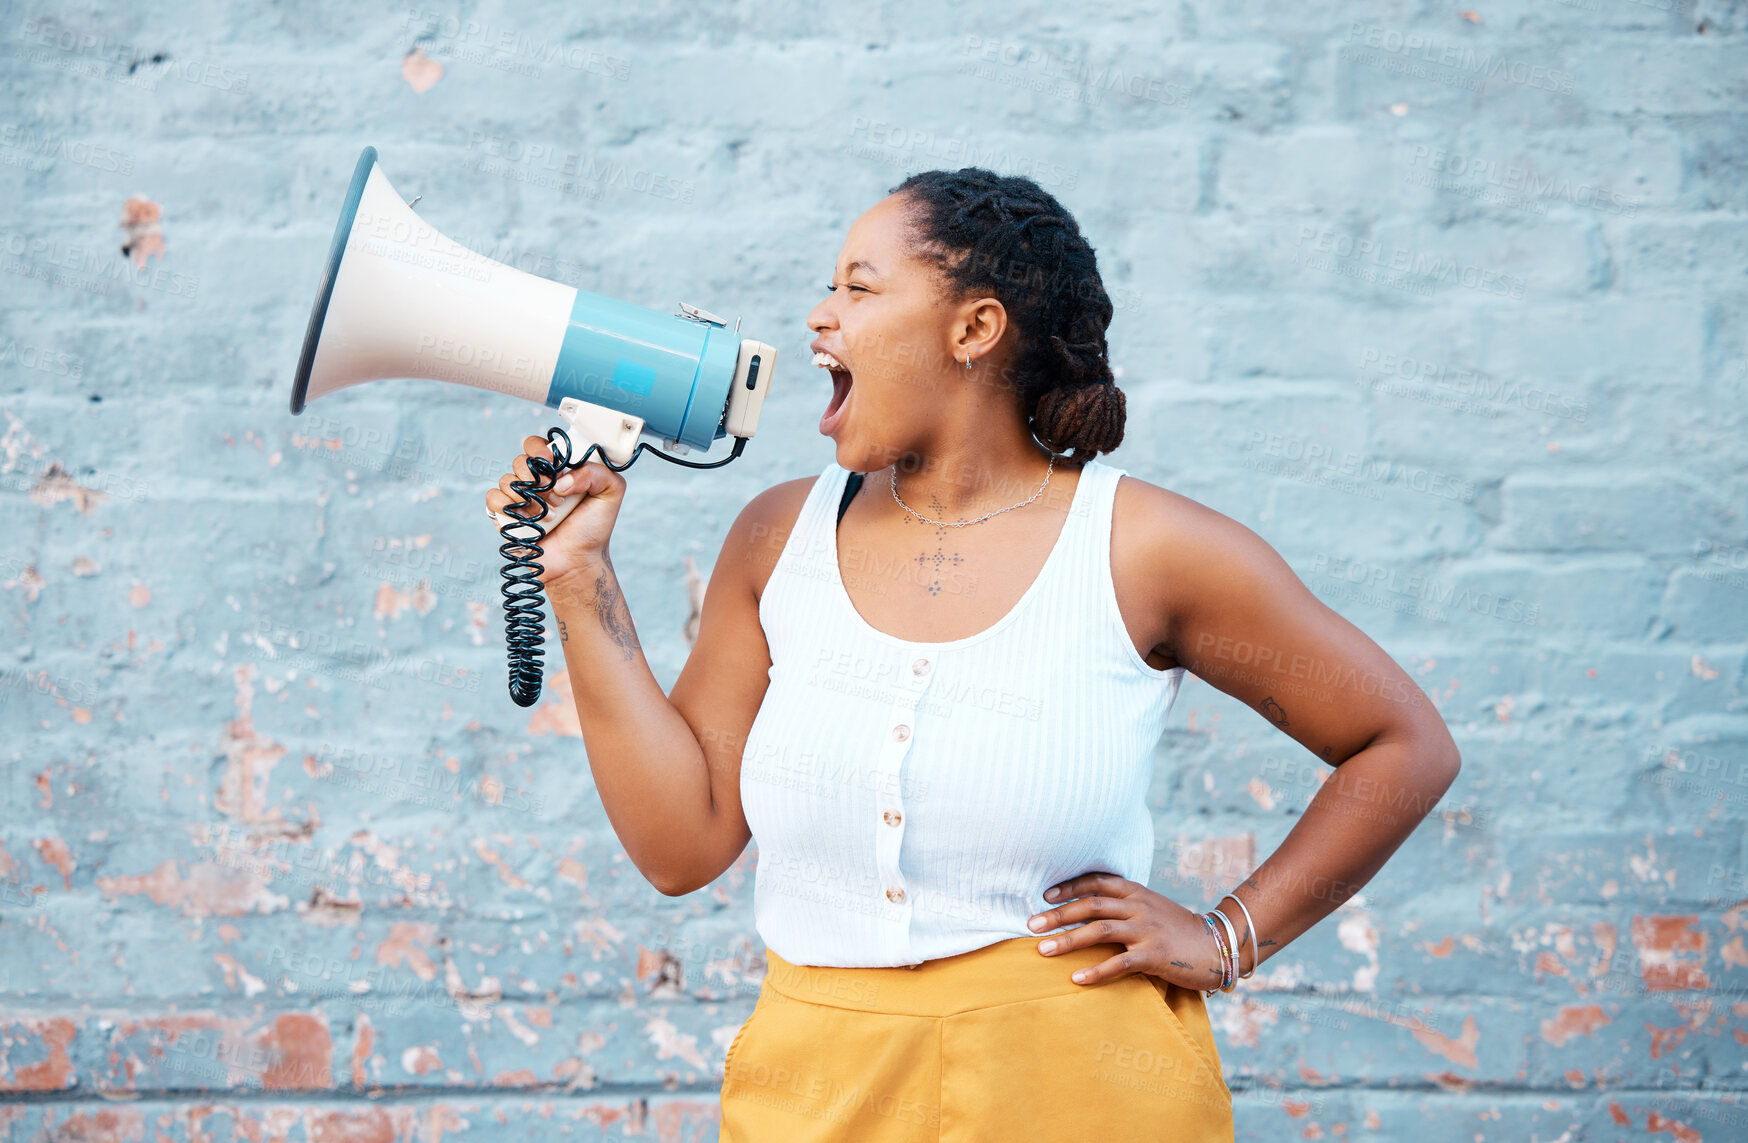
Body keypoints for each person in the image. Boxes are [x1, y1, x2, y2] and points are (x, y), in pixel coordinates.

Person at [485, 167, 1462, 1142]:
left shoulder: (1147, 549)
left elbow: (1400, 744)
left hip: (1085, 1092)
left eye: (858, 288)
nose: (819, 319)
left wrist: (1226, 936)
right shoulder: (774, 538)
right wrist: (575, 575)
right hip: (812, 1094)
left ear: (973, 329)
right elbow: (680, 844)